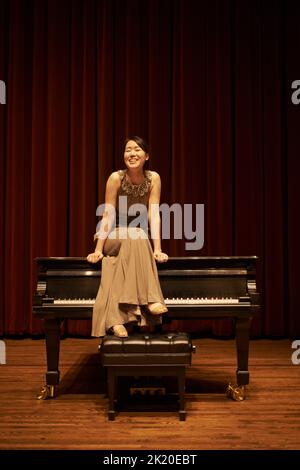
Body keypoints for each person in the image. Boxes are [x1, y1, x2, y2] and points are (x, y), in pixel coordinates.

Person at [87, 136, 168, 338]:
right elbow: (108, 214)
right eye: (128, 150)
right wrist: (98, 250)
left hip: (137, 241)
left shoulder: (153, 178)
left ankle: (117, 319)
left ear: (147, 155)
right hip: (112, 236)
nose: (131, 154)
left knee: (137, 236)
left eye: (137, 149)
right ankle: (150, 299)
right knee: (138, 232)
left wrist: (157, 249)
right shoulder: (116, 178)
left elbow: (153, 213)